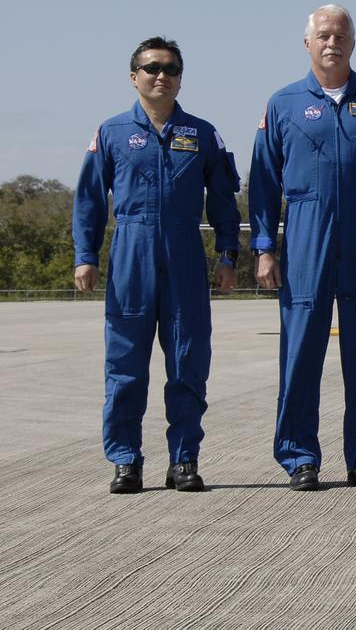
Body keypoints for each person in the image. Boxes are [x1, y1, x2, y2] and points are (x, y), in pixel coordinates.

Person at [249, 4, 356, 491]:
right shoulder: (283, 104)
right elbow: (262, 183)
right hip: (303, 239)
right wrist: (264, 246)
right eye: (322, 35)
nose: (331, 42)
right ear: (307, 44)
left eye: (340, 35)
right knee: (300, 352)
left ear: (353, 43)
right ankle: (300, 457)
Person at [73, 36, 241, 494]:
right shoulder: (110, 133)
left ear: (180, 77)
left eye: (170, 68)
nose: (160, 75)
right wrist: (85, 256)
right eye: (151, 68)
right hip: (131, 254)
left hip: (185, 253)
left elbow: (225, 202)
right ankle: (125, 460)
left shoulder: (203, 134)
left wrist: (227, 255)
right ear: (134, 76)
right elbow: (89, 199)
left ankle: (184, 460)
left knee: (189, 363)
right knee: (125, 366)